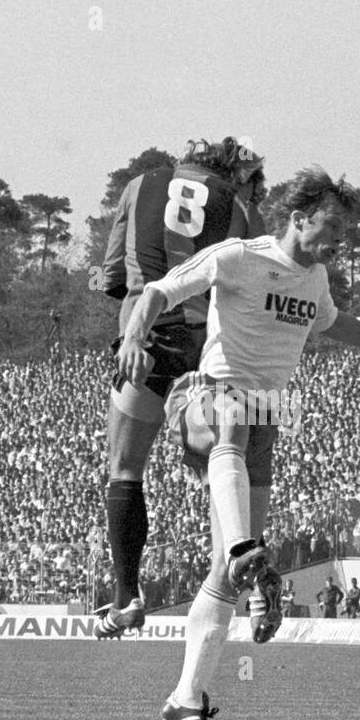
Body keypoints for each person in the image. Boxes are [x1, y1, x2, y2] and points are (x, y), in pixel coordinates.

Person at [116, 166, 360, 720]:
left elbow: (338, 325)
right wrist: (135, 338)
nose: (335, 243)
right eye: (328, 229)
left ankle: (186, 698)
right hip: (205, 397)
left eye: (343, 234)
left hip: (262, 421)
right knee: (235, 420)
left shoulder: (315, 279)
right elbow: (159, 290)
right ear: (297, 218)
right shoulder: (239, 256)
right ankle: (251, 555)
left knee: (220, 571)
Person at [96, 137, 267, 638]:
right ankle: (250, 586)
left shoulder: (138, 185)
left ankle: (126, 595)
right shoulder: (238, 204)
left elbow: (112, 276)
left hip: (149, 340)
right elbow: (255, 279)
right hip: (209, 345)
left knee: (125, 468)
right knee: (229, 460)